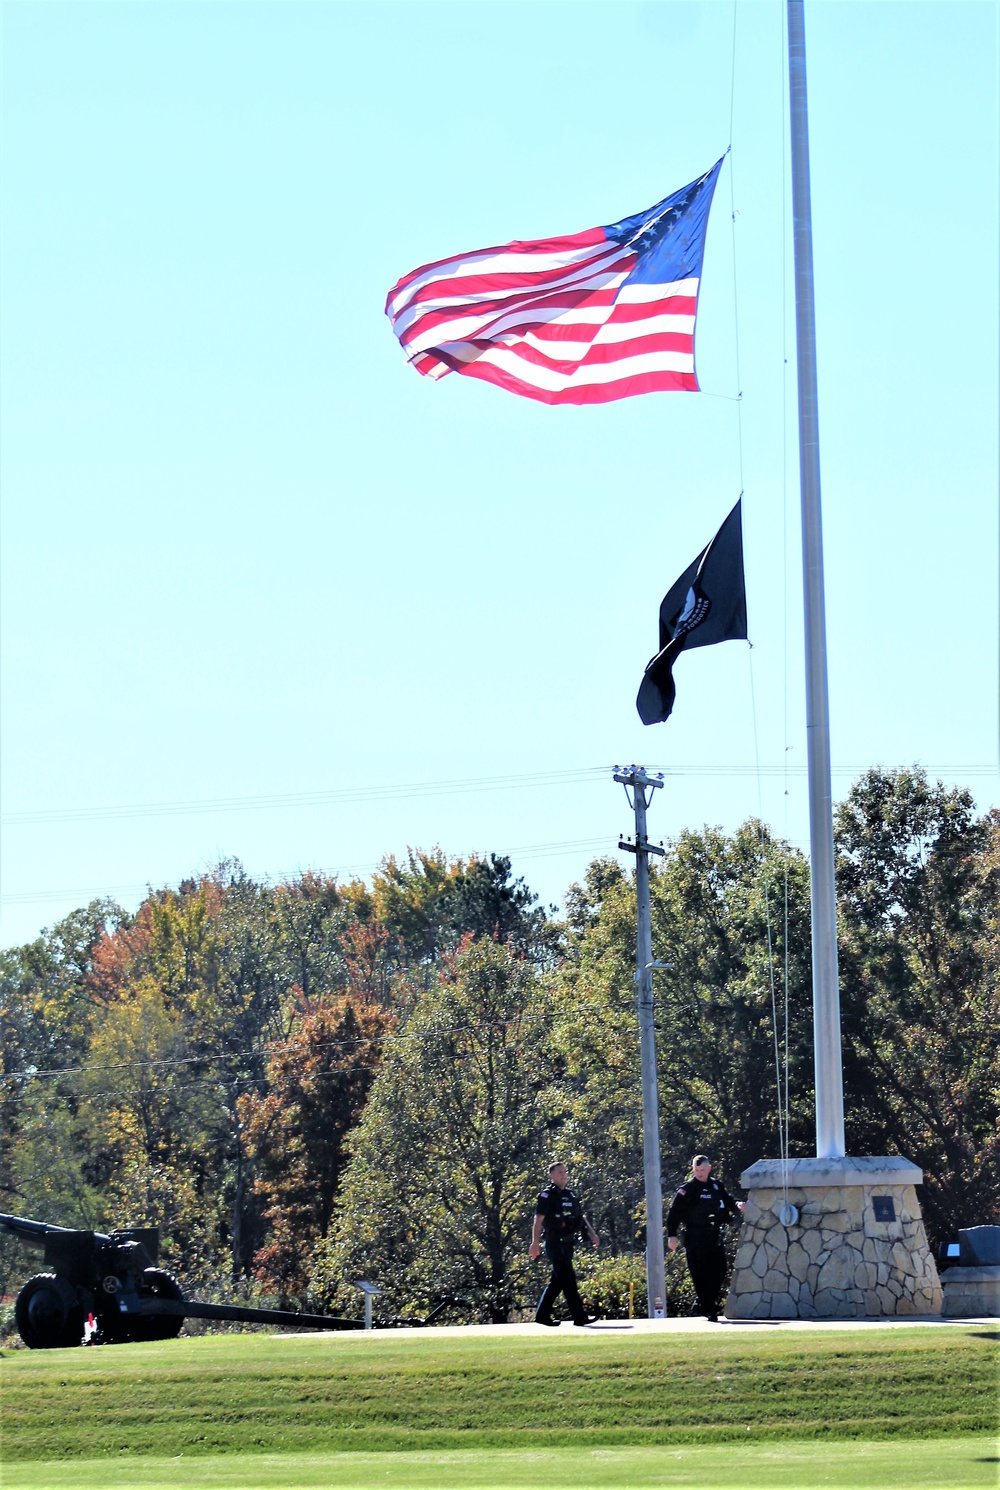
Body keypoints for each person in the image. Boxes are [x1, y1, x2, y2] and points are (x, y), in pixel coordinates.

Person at [666, 1153, 745, 1322]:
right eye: (696, 1170)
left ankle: (702, 1303)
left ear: (709, 1168)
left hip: (714, 1235)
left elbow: (728, 1200)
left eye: (702, 1170)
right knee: (700, 1273)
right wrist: (671, 1235)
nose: (700, 1173)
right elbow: (674, 1213)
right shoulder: (687, 1189)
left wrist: (737, 1205)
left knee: (720, 1269)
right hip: (695, 1237)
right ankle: (708, 1309)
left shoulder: (716, 1186)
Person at [529, 1161, 599, 1327]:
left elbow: (581, 1218)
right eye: (559, 1172)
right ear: (551, 1176)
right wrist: (535, 1242)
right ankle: (580, 1317)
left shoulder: (571, 1195)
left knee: (557, 1281)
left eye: (564, 1172)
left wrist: (592, 1234)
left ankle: (542, 1315)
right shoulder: (547, 1195)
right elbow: (538, 1220)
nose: (563, 1175)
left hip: (568, 1244)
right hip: (554, 1243)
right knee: (569, 1279)